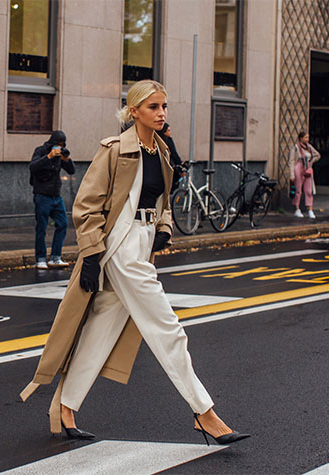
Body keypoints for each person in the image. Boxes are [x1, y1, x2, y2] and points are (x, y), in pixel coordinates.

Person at [20, 80, 250, 446]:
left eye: (165, 107)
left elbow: (163, 202)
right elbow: (86, 205)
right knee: (167, 329)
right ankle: (204, 413)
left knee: (101, 328)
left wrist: (163, 228)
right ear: (134, 111)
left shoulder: (160, 151)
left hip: (142, 245)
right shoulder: (114, 150)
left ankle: (64, 408)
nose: (162, 113)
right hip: (120, 246)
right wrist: (93, 253)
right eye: (154, 107)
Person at [29, 131, 75, 269]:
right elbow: (33, 167)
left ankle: (55, 257)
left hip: (56, 196)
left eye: (61, 145)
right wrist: (48, 157)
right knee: (41, 228)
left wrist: (66, 159)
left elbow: (72, 171)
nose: (58, 148)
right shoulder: (40, 151)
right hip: (42, 195)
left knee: (62, 224)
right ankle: (40, 258)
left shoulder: (60, 155)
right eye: (57, 145)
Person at [289, 131, 320, 219]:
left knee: (309, 190)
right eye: (306, 137)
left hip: (307, 169)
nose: (307, 139)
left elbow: (317, 155)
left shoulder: (309, 147)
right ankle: (297, 209)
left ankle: (310, 209)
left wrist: (311, 162)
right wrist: (292, 175)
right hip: (298, 167)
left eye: (308, 137)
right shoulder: (295, 148)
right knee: (298, 190)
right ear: (301, 138)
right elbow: (291, 162)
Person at [159, 122, 184, 193]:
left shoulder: (155, 139)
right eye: (168, 130)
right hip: (167, 168)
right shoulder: (168, 140)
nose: (170, 133)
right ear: (164, 131)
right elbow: (174, 154)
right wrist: (181, 165)